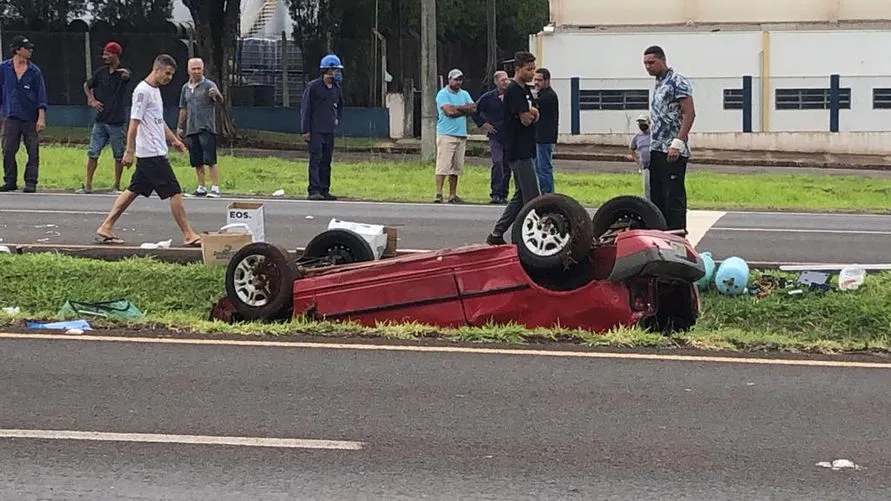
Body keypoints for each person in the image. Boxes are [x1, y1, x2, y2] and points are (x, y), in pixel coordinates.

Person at [94, 54, 201, 247]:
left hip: (154, 150)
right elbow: (134, 123)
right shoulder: (142, 91)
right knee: (174, 191)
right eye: (167, 73)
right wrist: (129, 150)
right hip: (151, 153)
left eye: (171, 75)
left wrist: (174, 140)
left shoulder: (155, 91)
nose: (168, 78)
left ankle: (106, 226)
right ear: (157, 69)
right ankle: (188, 234)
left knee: (133, 190)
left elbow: (158, 121)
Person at [486, 52, 541, 245]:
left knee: (520, 196)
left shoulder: (526, 89)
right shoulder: (514, 91)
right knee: (533, 198)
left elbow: (535, 114)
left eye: (533, 68)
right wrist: (531, 112)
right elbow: (527, 120)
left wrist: (531, 111)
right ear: (517, 69)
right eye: (529, 69)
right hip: (517, 148)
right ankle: (528, 237)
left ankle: (496, 233)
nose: (532, 73)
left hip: (527, 146)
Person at [643, 45, 696, 231]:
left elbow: (689, 114)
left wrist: (678, 143)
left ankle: (677, 234)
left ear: (662, 60)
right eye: (645, 64)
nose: (648, 67)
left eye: (651, 62)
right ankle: (661, 234)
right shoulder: (658, 83)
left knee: (673, 196)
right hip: (656, 147)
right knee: (656, 198)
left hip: (671, 149)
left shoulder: (677, 82)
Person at [79, 41, 131, 194]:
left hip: (116, 121)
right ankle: (88, 185)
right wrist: (91, 100)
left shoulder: (122, 72)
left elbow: (127, 76)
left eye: (108, 54)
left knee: (118, 155)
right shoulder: (101, 72)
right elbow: (87, 85)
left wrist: (125, 75)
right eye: (104, 54)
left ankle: (117, 185)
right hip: (100, 120)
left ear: (115, 54)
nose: (105, 57)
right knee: (93, 152)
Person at [0, 35, 47, 193]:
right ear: (18, 50)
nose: (30, 51)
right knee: (7, 149)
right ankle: (10, 180)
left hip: (30, 117)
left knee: (32, 150)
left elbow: (41, 95)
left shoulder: (34, 71)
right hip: (10, 115)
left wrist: (41, 117)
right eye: (27, 48)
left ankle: (31, 181)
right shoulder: (4, 68)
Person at [177, 57, 223, 198]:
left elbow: (220, 100)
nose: (196, 71)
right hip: (191, 128)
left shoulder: (209, 85)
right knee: (196, 159)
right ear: (188, 70)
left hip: (206, 127)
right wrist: (180, 127)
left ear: (203, 69)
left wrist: (217, 95)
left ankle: (215, 187)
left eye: (199, 68)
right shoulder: (185, 88)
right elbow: (183, 108)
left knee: (210, 158)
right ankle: (201, 186)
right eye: (194, 69)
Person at [301, 54, 344, 201]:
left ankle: (325, 189)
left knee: (327, 160)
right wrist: (306, 130)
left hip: (329, 130)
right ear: (327, 70)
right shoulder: (313, 87)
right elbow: (306, 108)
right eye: (335, 70)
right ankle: (314, 190)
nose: (337, 73)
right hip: (315, 130)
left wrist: (337, 118)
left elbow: (340, 105)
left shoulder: (336, 88)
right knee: (316, 160)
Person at [434, 68, 476, 203]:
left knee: (456, 167)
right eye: (456, 79)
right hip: (446, 133)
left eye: (460, 79)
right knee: (443, 165)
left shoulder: (464, 94)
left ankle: (452, 194)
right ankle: (439, 193)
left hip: (461, 134)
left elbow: (473, 108)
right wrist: (464, 109)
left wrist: (457, 108)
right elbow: (448, 112)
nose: (458, 82)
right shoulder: (442, 94)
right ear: (449, 79)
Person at [472, 70, 511, 204]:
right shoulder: (488, 97)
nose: (505, 82)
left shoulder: (512, 95)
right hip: (496, 135)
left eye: (507, 79)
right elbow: (475, 111)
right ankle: (495, 192)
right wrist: (483, 124)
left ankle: (503, 193)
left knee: (507, 165)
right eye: (502, 80)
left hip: (510, 135)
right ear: (496, 82)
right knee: (497, 162)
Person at [532, 68, 559, 194]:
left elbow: (532, 105)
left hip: (545, 137)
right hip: (539, 137)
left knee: (543, 168)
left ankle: (547, 194)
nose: (536, 82)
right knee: (538, 168)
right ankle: (544, 193)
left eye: (539, 80)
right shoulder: (541, 94)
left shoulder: (549, 96)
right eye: (535, 79)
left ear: (547, 81)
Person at [629, 114, 652, 200]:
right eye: (639, 123)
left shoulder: (654, 135)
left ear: (649, 123)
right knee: (647, 188)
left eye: (643, 122)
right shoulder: (637, 137)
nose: (641, 124)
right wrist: (638, 162)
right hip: (644, 166)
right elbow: (632, 150)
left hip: (656, 165)